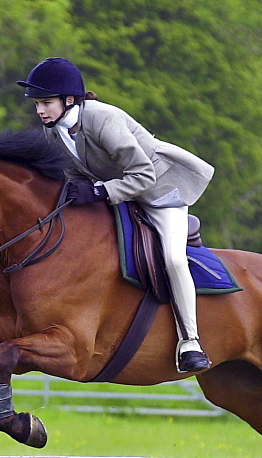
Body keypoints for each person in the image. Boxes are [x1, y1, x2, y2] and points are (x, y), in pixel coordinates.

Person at [17, 57, 215, 373]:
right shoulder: (54, 130)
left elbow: (143, 175)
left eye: (46, 103)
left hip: (159, 192)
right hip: (116, 192)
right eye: (37, 104)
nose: (40, 110)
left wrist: (98, 192)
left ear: (69, 101)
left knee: (174, 259)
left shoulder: (103, 121)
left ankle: (190, 341)